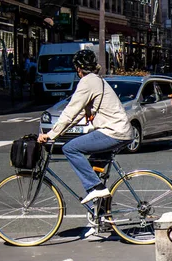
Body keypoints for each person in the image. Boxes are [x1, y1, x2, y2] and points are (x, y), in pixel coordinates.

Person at [37, 50, 133, 205]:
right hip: (120, 131)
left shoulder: (88, 81)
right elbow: (79, 113)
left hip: (113, 132)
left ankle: (97, 188)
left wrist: (51, 134)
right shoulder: (96, 80)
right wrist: (59, 132)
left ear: (79, 68)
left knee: (70, 149)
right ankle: (100, 217)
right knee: (92, 170)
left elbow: (71, 110)